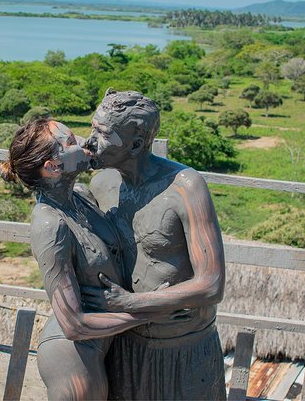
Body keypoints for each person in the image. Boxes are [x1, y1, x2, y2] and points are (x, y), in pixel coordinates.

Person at [0, 118, 170, 401]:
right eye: (71, 142)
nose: (84, 142)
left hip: (103, 344)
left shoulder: (81, 196)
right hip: (73, 357)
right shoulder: (50, 225)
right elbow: (73, 325)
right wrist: (147, 313)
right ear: (52, 168)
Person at [82, 89, 227, 400]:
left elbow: (212, 284)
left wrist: (132, 303)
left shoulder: (185, 187)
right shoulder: (101, 183)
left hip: (185, 350)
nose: (89, 141)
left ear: (136, 144)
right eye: (92, 127)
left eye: (103, 133)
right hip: (125, 344)